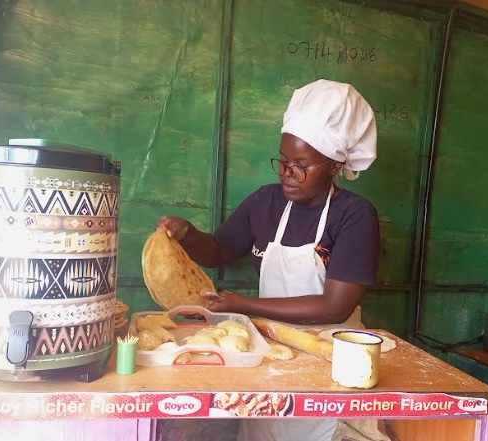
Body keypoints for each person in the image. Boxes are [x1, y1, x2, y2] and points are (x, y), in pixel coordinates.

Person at [157, 79, 381, 441]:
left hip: (331, 361)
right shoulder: (265, 202)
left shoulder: (354, 216)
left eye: (302, 165)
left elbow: (334, 307)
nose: (287, 173)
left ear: (335, 165)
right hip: (270, 353)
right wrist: (188, 236)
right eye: (284, 161)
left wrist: (242, 304)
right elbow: (218, 251)